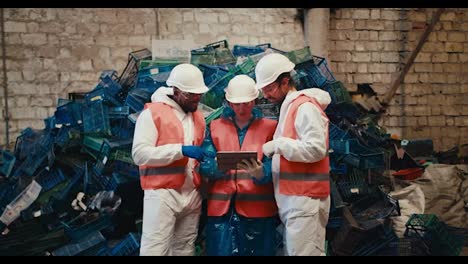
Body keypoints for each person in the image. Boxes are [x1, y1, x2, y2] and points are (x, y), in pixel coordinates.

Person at [132, 63, 213, 256]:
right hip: (163, 193)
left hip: (192, 192)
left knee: (185, 248)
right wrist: (180, 150)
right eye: (191, 95)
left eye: (198, 94)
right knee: (156, 249)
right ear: (176, 91)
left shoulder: (199, 118)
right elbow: (139, 154)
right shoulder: (152, 114)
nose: (196, 99)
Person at [254, 53, 332, 256]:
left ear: (285, 82)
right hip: (296, 199)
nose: (266, 95)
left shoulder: (305, 108)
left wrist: (279, 145)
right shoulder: (289, 108)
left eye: (269, 88)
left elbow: (316, 149)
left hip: (305, 198)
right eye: (264, 90)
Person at [199, 75, 278, 256]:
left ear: (255, 100)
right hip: (222, 211)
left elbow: (277, 162)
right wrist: (216, 167)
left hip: (258, 211)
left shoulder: (270, 127)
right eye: (236, 104)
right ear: (228, 102)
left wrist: (262, 172)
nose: (241, 108)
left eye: (247, 103)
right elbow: (205, 162)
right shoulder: (215, 126)